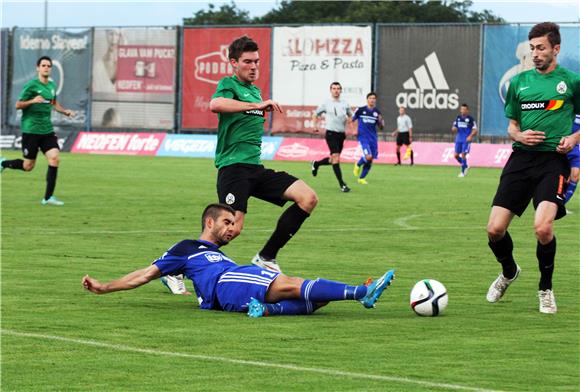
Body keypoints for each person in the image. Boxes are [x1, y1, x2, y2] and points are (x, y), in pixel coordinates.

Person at [82, 204, 395, 317]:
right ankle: (361, 293)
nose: (232, 229)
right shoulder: (188, 247)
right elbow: (146, 273)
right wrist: (105, 287)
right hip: (226, 283)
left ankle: (269, 311)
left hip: (230, 284)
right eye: (227, 223)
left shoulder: (217, 254)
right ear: (209, 222)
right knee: (291, 285)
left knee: (316, 301)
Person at [485, 22, 580, 314]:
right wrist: (520, 135)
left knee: (543, 227)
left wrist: (574, 138)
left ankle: (545, 289)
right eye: (532, 48)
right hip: (521, 159)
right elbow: (512, 127)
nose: (535, 54)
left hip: (553, 161)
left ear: (556, 49)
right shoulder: (519, 83)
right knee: (494, 229)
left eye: (541, 48)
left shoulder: (572, 82)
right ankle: (509, 270)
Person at [208, 36, 318, 274]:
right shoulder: (229, 85)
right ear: (234, 63)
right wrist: (255, 106)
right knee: (231, 229)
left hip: (255, 169)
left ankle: (266, 256)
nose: (254, 66)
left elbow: (254, 124)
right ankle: (177, 268)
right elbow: (215, 104)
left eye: (257, 61)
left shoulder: (255, 92)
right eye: (248, 61)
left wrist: (306, 129)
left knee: (307, 198)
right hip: (233, 168)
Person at [1, 56, 74, 206]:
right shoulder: (31, 85)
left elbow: (54, 103)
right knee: (28, 166)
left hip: (46, 130)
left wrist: (65, 111)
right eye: (43, 65)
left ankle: (48, 198)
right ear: (38, 68)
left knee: (54, 158)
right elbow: (18, 105)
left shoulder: (52, 85)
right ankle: (3, 163)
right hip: (31, 130)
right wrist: (32, 101)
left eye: (49, 66)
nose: (46, 68)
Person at [311, 82, 353, 192]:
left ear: (341, 90)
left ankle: (317, 163)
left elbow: (351, 116)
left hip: (341, 134)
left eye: (338, 88)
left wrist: (352, 125)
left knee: (333, 159)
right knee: (336, 157)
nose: (336, 90)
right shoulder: (326, 103)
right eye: (334, 88)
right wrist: (315, 125)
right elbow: (315, 114)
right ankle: (342, 185)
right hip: (330, 133)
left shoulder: (345, 103)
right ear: (331, 90)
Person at [352, 92, 384, 185]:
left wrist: (380, 122)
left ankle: (361, 178)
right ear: (367, 99)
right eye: (370, 98)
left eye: (374, 98)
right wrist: (354, 130)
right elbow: (351, 120)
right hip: (363, 137)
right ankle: (358, 164)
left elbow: (381, 127)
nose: (372, 100)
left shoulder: (377, 112)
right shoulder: (360, 110)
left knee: (371, 159)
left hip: (373, 139)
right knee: (368, 156)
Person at [451, 103, 478, 177]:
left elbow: (475, 130)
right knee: (456, 156)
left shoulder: (470, 119)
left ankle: (463, 172)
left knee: (463, 154)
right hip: (458, 139)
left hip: (466, 140)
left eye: (464, 109)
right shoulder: (458, 118)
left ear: (467, 110)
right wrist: (454, 129)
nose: (462, 111)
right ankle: (465, 165)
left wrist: (470, 136)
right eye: (461, 109)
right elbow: (454, 127)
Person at [563, 114, 580, 206]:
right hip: (560, 143)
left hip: (575, 146)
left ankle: (562, 204)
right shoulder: (571, 104)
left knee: (575, 175)